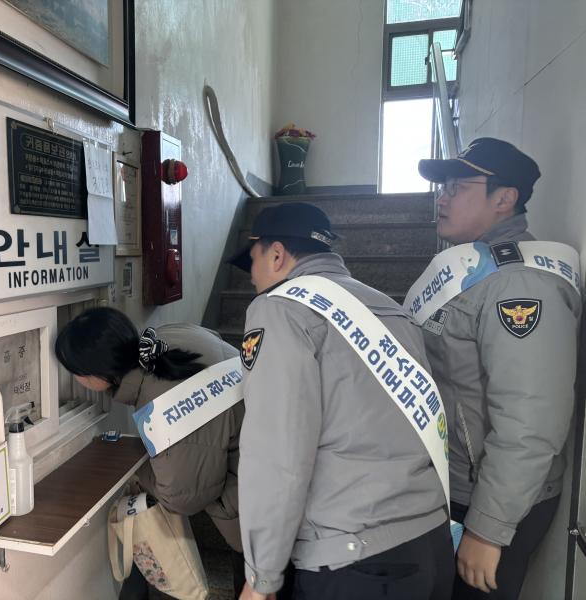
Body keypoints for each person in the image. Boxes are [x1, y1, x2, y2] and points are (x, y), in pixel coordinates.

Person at [227, 202, 453, 600]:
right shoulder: (387, 308)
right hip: (430, 541)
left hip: (356, 562)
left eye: (254, 261)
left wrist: (261, 576)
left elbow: (278, 454)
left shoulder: (280, 309)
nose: (252, 279)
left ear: (276, 254)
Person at [413, 138, 581, 599]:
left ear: (505, 198)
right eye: (441, 186)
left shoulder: (519, 284)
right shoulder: (470, 271)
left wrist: (487, 531)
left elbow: (531, 420)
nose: (442, 197)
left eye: (457, 185)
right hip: (461, 487)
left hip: (493, 504)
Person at [54, 307, 246, 598]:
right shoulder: (173, 334)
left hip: (262, 506)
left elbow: (184, 496)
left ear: (94, 375)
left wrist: (138, 469)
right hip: (277, 449)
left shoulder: (166, 408)